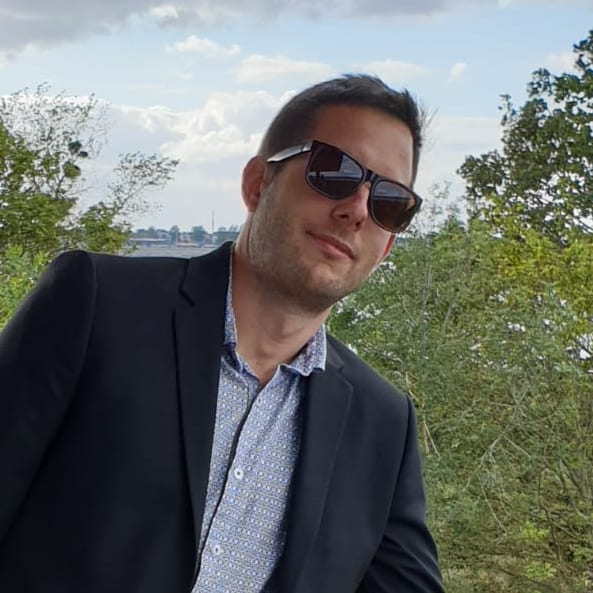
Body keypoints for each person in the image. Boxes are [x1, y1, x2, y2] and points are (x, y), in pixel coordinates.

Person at [0, 74, 444, 593]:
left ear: (387, 247)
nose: (357, 211)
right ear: (257, 184)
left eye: (390, 202)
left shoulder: (382, 424)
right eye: (334, 172)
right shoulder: (98, 305)